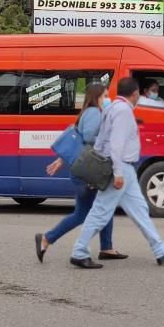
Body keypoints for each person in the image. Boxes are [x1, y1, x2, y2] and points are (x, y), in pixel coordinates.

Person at [70, 78, 164, 269]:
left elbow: (101, 142)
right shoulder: (122, 111)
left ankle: (161, 250)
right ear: (135, 93)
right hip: (120, 167)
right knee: (100, 211)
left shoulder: (112, 108)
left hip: (124, 168)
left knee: (140, 209)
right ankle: (79, 252)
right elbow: (115, 145)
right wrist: (117, 173)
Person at [35, 83, 127, 263]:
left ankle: (107, 247)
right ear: (96, 97)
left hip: (88, 170)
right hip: (88, 172)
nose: (108, 99)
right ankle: (47, 238)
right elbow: (89, 141)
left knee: (104, 206)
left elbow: (78, 141)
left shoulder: (90, 112)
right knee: (83, 213)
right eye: (105, 96)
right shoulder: (93, 113)